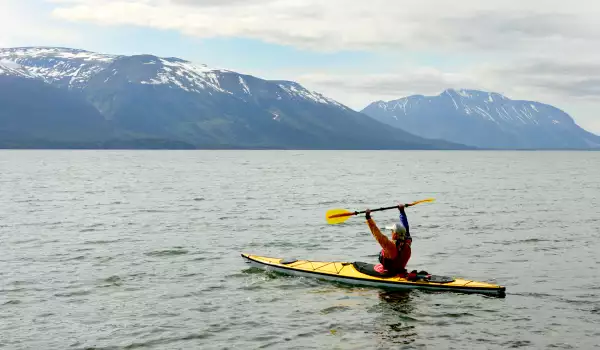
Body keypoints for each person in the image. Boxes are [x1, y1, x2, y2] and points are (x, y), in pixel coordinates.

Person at [365, 203, 412, 276]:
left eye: (392, 231)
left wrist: (368, 217)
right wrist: (402, 212)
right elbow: (406, 227)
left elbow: (377, 234)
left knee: (384, 253)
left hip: (389, 272)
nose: (391, 232)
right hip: (400, 270)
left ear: (395, 234)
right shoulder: (408, 242)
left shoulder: (390, 246)